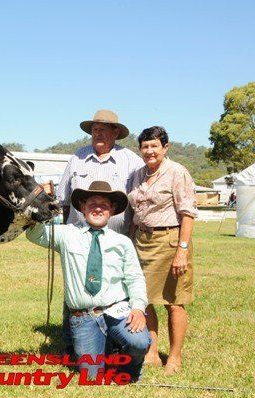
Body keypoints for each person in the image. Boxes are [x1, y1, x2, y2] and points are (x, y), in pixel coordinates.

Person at [27, 181, 150, 381]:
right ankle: (105, 349)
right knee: (92, 378)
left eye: (104, 205)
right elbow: (34, 234)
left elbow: (135, 278)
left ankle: (130, 366)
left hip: (117, 311)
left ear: (112, 210)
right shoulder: (66, 234)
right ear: (83, 208)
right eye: (93, 203)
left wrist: (137, 308)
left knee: (139, 342)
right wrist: (41, 200)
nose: (98, 208)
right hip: (84, 316)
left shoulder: (123, 242)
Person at [56, 110, 145, 355]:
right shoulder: (77, 157)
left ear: (116, 133)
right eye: (95, 129)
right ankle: (70, 342)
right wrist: (66, 234)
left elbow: (139, 202)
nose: (98, 133)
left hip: (116, 239)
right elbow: (64, 199)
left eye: (104, 129)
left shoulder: (132, 161)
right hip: (79, 237)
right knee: (75, 290)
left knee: (116, 291)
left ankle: (114, 341)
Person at [128, 126, 198, 376]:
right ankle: (153, 351)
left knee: (173, 301)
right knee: (144, 300)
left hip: (170, 241)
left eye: (154, 146)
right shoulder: (137, 174)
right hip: (142, 241)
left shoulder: (177, 172)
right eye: (145, 146)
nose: (149, 151)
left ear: (165, 147)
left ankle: (175, 357)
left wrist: (182, 250)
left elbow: (188, 212)